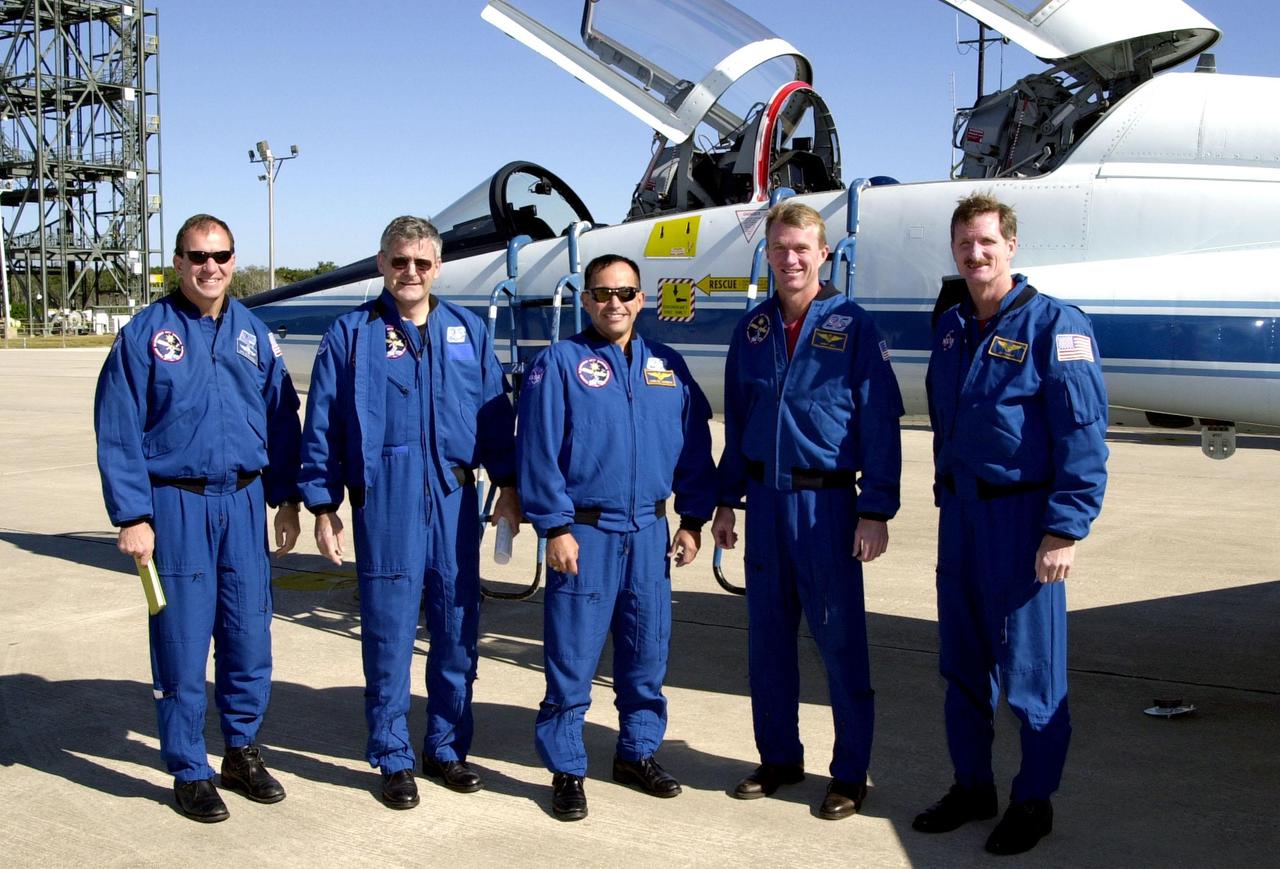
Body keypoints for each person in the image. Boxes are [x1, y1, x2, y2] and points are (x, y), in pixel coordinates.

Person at [299, 215, 521, 810]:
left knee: (455, 629)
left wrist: (509, 485)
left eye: (422, 263)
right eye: (400, 262)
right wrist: (322, 505)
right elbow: (321, 425)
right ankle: (393, 755)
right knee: (389, 634)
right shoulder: (350, 335)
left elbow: (496, 421)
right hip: (386, 500)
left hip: (453, 498)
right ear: (381, 264)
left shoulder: (467, 332)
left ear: (438, 267)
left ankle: (446, 748)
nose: (411, 273)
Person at [914, 193, 1108, 855]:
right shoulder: (951, 328)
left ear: (1012, 246)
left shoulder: (1057, 326)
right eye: (965, 243)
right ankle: (974, 785)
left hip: (1024, 521)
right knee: (963, 665)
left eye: (987, 242)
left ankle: (1034, 800)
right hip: (961, 517)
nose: (975, 254)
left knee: (1032, 674)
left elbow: (1082, 435)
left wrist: (1066, 526)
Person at [94, 213, 302, 823]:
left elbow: (282, 421)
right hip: (175, 504)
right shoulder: (144, 336)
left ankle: (240, 751)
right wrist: (132, 514)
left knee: (247, 635)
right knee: (182, 640)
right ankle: (189, 767)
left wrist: (286, 498)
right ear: (179, 262)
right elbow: (118, 429)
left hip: (242, 502)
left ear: (233, 261)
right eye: (197, 256)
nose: (210, 267)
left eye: (221, 256)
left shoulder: (255, 335)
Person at [711, 201, 903, 821]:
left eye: (803, 249)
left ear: (824, 254)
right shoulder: (754, 330)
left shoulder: (853, 326)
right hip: (764, 502)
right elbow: (738, 422)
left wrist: (875, 509)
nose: (791, 259)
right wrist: (724, 501)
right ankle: (779, 759)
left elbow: (880, 422)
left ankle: (850, 773)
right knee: (767, 645)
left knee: (840, 645)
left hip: (827, 507)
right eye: (780, 248)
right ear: (767, 255)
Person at [516, 253, 715, 821]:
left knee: (646, 653)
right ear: (586, 300)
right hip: (585, 532)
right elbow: (537, 450)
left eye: (626, 293)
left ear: (641, 298)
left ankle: (637, 753)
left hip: (651, 532)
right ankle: (566, 767)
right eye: (602, 294)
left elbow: (695, 450)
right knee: (572, 658)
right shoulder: (560, 362)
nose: (615, 304)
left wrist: (693, 521)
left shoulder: (667, 366)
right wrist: (554, 526)